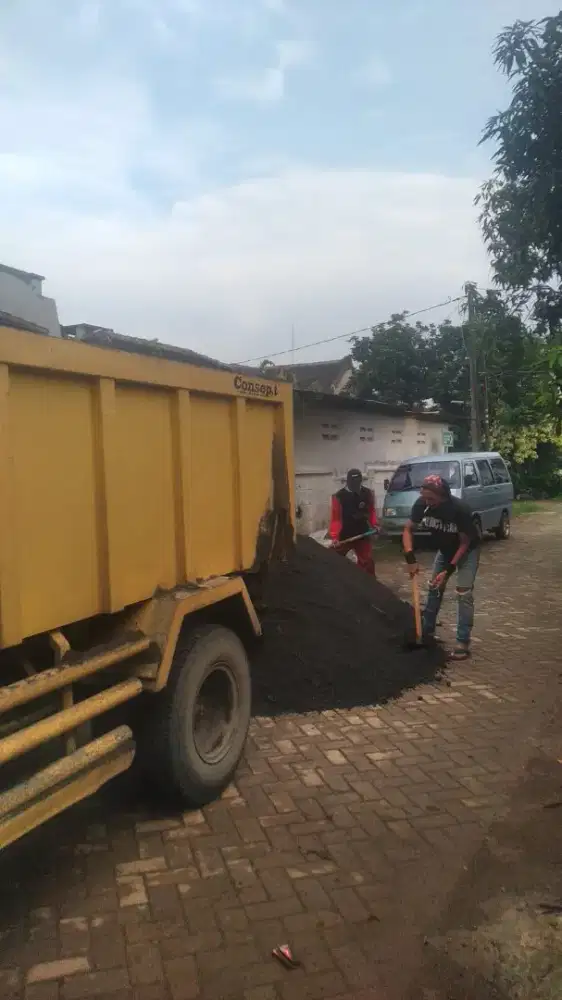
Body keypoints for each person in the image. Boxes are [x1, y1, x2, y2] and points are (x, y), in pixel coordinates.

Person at [402, 473, 480, 660]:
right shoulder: (422, 505)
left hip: (466, 551)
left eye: (431, 498)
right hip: (445, 550)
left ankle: (462, 642)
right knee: (434, 588)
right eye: (425, 497)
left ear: (443, 496)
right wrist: (410, 558)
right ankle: (426, 634)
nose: (427, 502)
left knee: (463, 593)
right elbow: (407, 529)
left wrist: (448, 570)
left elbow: (464, 543)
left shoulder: (459, 509)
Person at [329, 469, 378, 575]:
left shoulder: (368, 493)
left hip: (363, 532)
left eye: (357, 483)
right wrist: (335, 537)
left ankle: (367, 584)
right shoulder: (339, 496)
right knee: (334, 559)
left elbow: (371, 511)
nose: (355, 486)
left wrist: (375, 525)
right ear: (347, 482)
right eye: (352, 484)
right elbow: (336, 519)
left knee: (367, 562)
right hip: (345, 534)